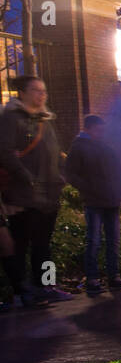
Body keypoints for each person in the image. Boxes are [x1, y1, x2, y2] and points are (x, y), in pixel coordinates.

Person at [0, 75, 69, 306]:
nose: (42, 95)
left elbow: (54, 150)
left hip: (48, 193)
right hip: (25, 194)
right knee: (21, 243)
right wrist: (26, 177)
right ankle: (22, 291)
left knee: (43, 244)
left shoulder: (44, 119)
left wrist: (58, 175)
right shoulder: (11, 118)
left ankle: (47, 285)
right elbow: (6, 152)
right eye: (36, 90)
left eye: (44, 91)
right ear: (22, 93)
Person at [65, 114, 121, 294]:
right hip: (95, 200)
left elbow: (118, 169)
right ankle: (94, 279)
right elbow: (70, 174)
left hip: (110, 199)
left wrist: (120, 189)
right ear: (88, 129)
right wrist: (88, 188)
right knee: (94, 240)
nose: (101, 133)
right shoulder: (79, 147)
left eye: (102, 130)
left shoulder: (104, 145)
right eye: (98, 130)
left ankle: (112, 276)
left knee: (112, 241)